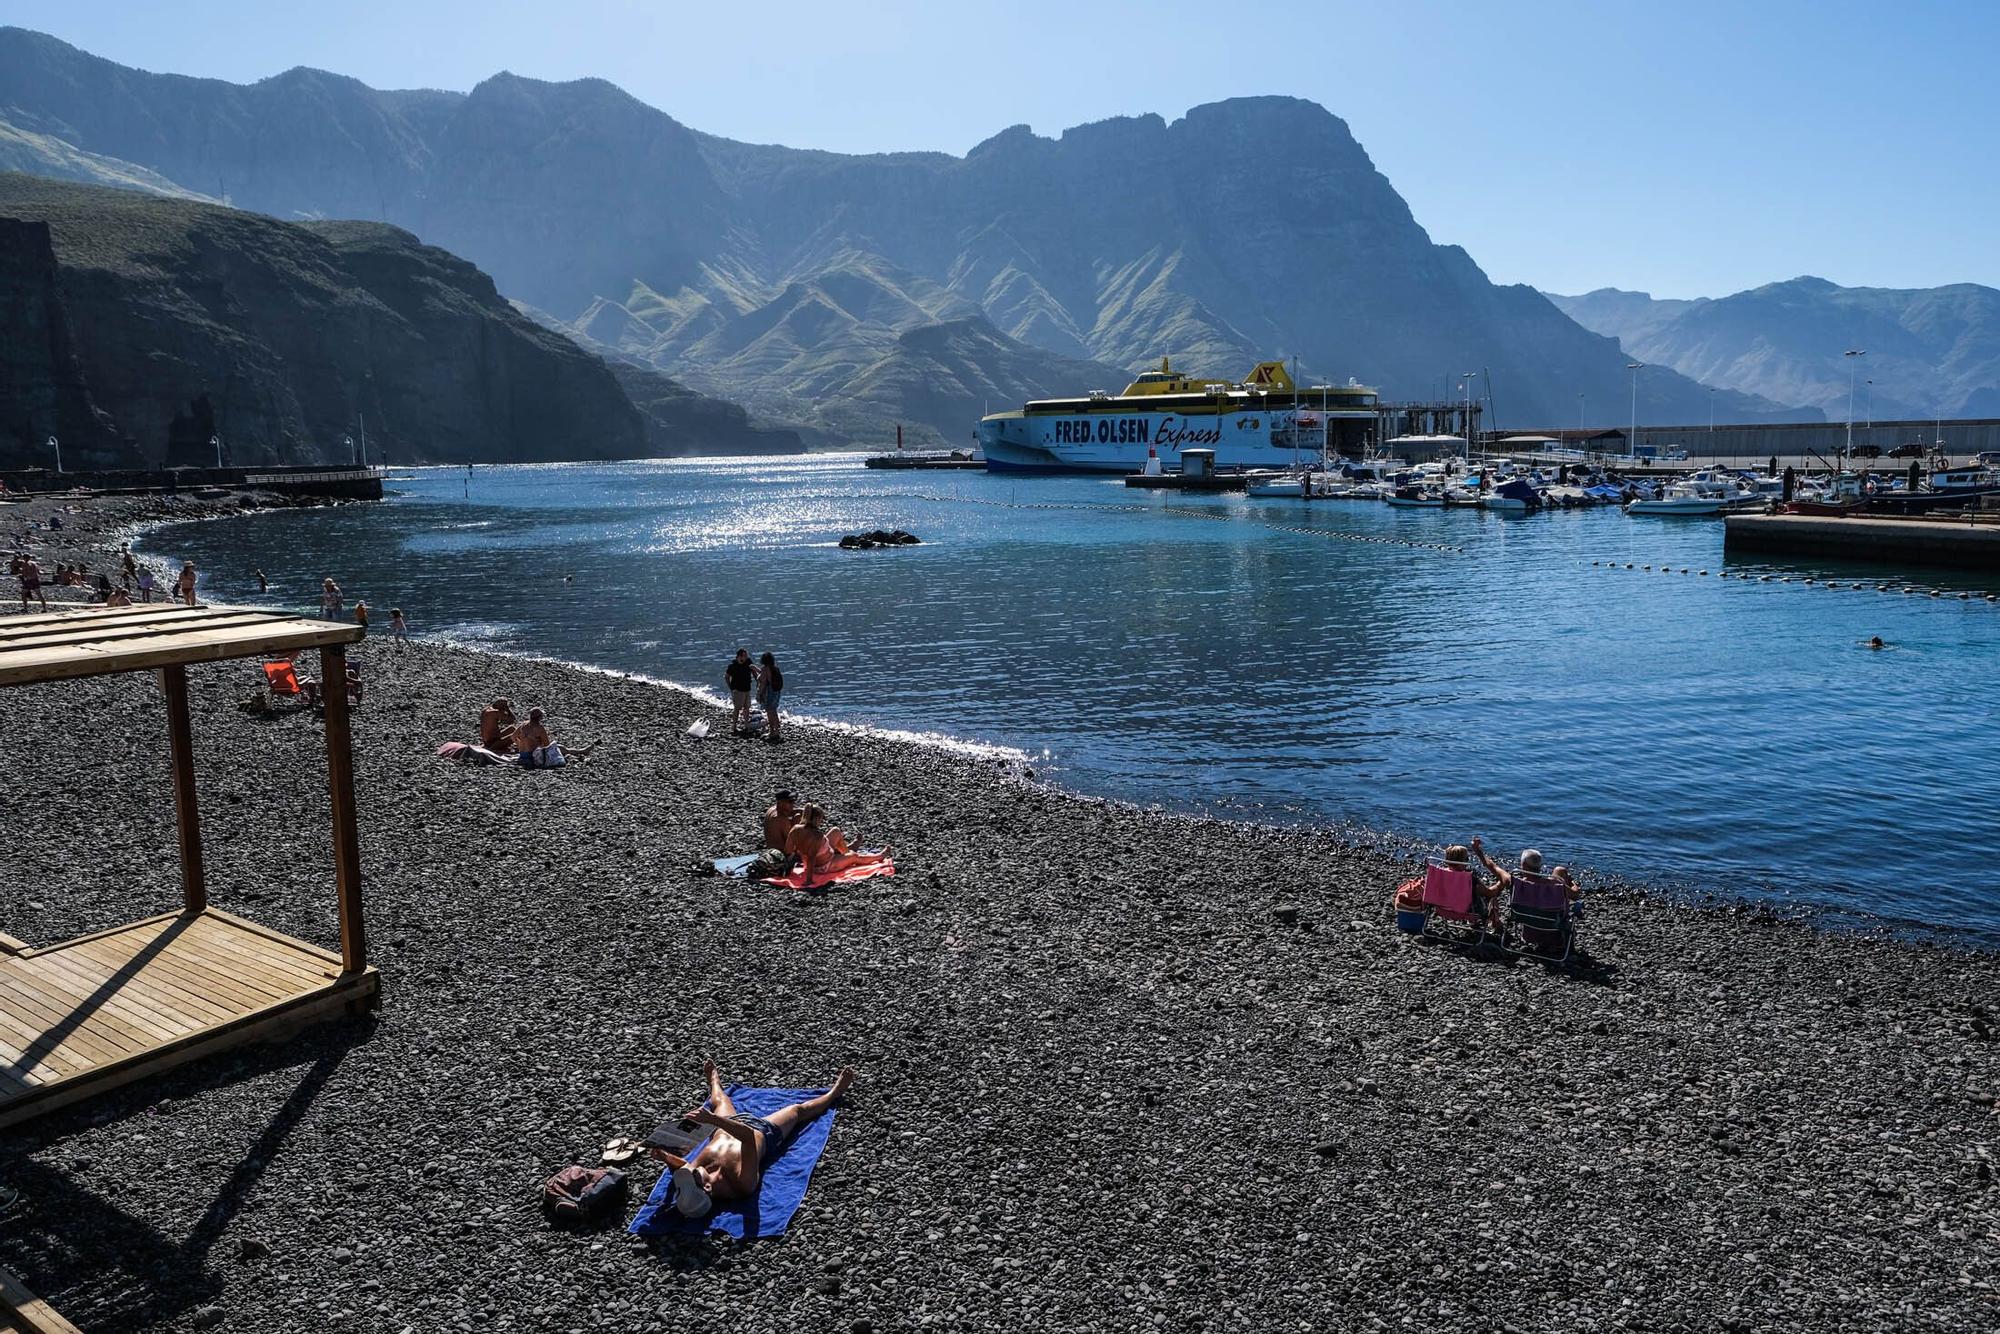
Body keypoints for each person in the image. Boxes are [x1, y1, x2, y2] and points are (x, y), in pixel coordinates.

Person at [651, 1060, 854, 1219]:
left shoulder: (699, 1173)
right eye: (693, 1176)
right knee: (797, 1110)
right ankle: (834, 1092)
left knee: (720, 1100)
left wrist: (665, 1157)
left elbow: (683, 1167)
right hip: (761, 1130)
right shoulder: (741, 1184)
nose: (691, 1171)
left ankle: (714, 1080)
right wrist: (713, 1120)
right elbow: (748, 1138)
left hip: (723, 1127)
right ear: (707, 1187)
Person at [785, 803, 890, 884]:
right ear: (816, 819)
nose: (821, 822)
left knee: (835, 831)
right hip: (824, 866)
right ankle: (879, 857)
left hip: (813, 861)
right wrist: (809, 880)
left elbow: (788, 850)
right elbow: (812, 858)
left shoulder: (795, 829)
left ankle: (846, 853)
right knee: (854, 856)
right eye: (821, 819)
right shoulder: (816, 836)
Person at [725, 649, 756, 731]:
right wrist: (730, 687)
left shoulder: (748, 662)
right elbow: (727, 676)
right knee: (737, 708)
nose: (746, 657)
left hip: (747, 689)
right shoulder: (733, 666)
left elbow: (754, 672)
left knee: (747, 707)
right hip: (737, 690)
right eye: (744, 655)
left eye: (746, 655)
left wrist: (757, 680)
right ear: (739, 656)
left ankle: (746, 724)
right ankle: (734, 726)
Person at [758, 651, 784, 742]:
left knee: (769, 711)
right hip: (777, 691)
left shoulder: (765, 669)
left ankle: (772, 731)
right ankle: (777, 731)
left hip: (770, 692)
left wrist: (759, 694)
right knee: (774, 711)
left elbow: (764, 683)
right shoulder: (775, 668)